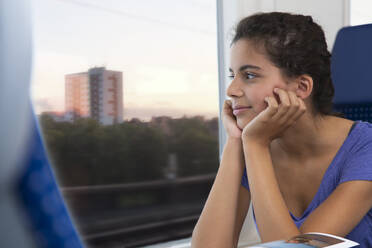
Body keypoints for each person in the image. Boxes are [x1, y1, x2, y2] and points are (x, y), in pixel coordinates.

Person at [191, 12, 372, 248]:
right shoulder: (251, 143)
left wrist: (255, 146)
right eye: (232, 75)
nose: (232, 90)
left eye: (249, 75)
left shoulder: (365, 149)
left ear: (302, 87)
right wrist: (235, 142)